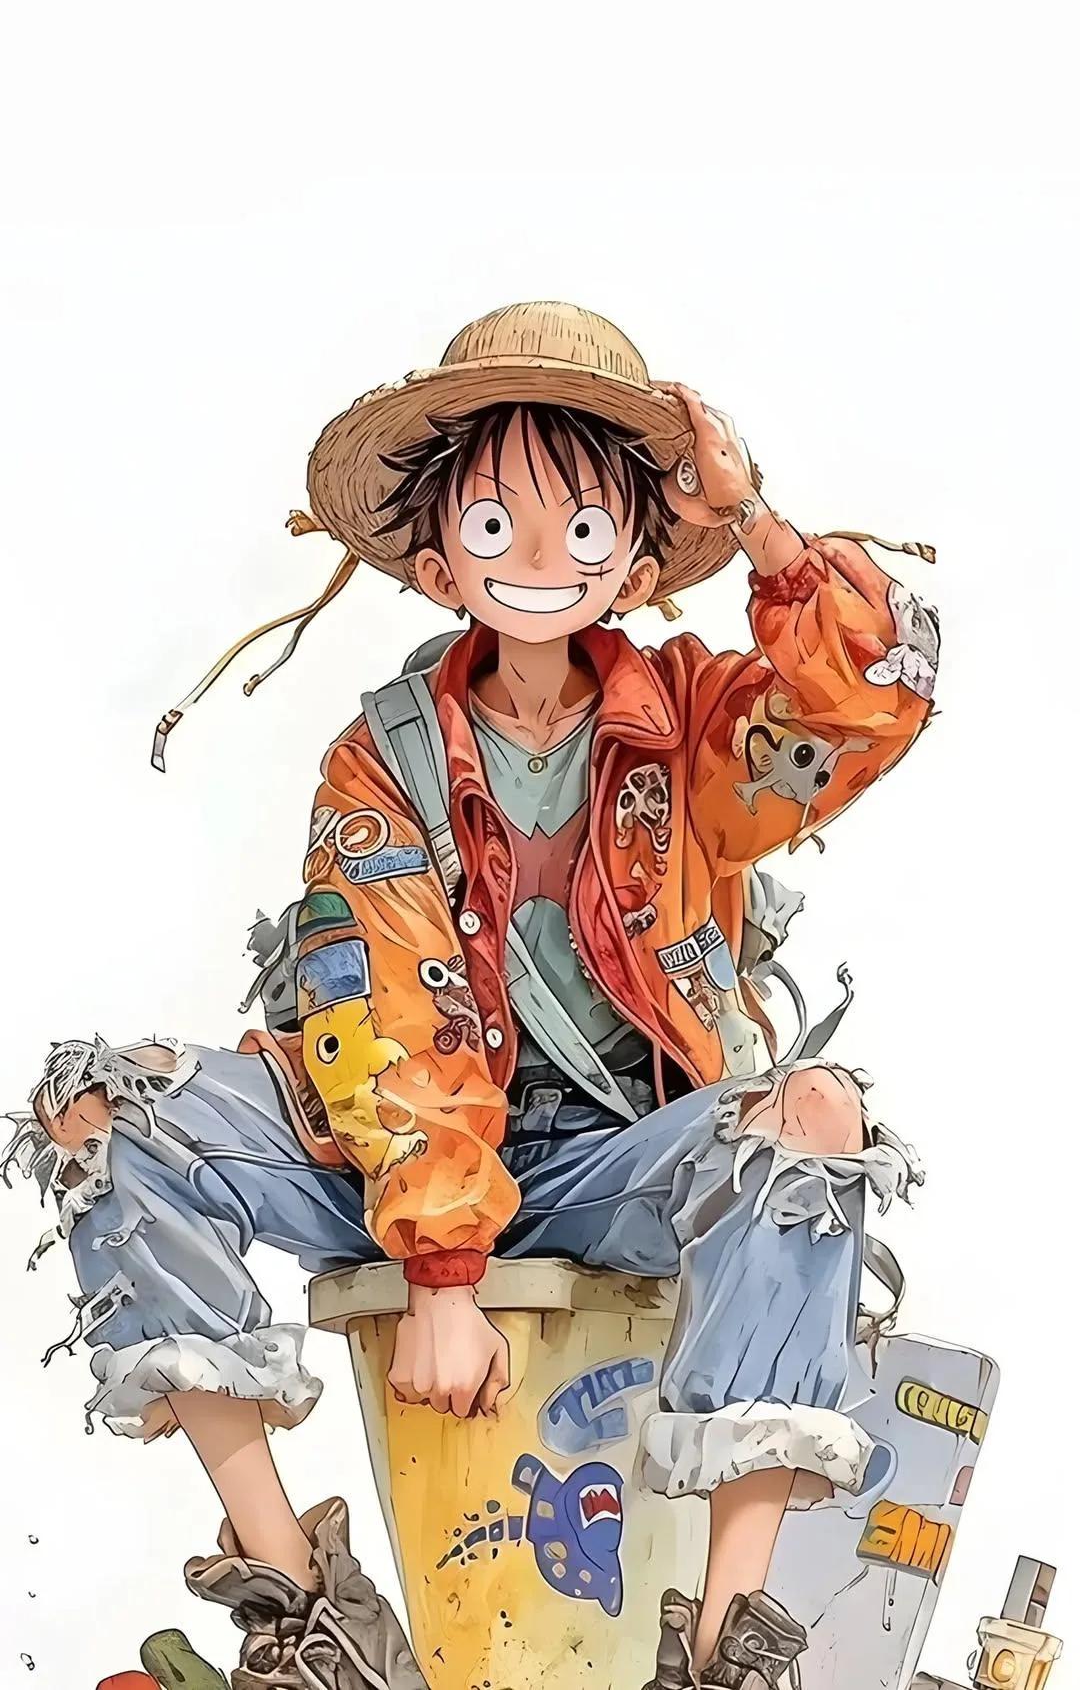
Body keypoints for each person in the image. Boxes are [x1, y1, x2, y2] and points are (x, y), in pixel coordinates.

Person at [4, 301, 938, 1690]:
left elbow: (869, 697)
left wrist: (759, 528)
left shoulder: (694, 726)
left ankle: (728, 1646)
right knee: (101, 1109)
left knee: (811, 1116)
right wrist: (443, 1270)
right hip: (396, 1153)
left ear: (635, 560)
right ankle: (301, 1604)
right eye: (500, 526)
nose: (543, 561)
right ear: (442, 563)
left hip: (626, 1152)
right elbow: (386, 1008)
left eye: (582, 525)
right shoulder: (380, 759)